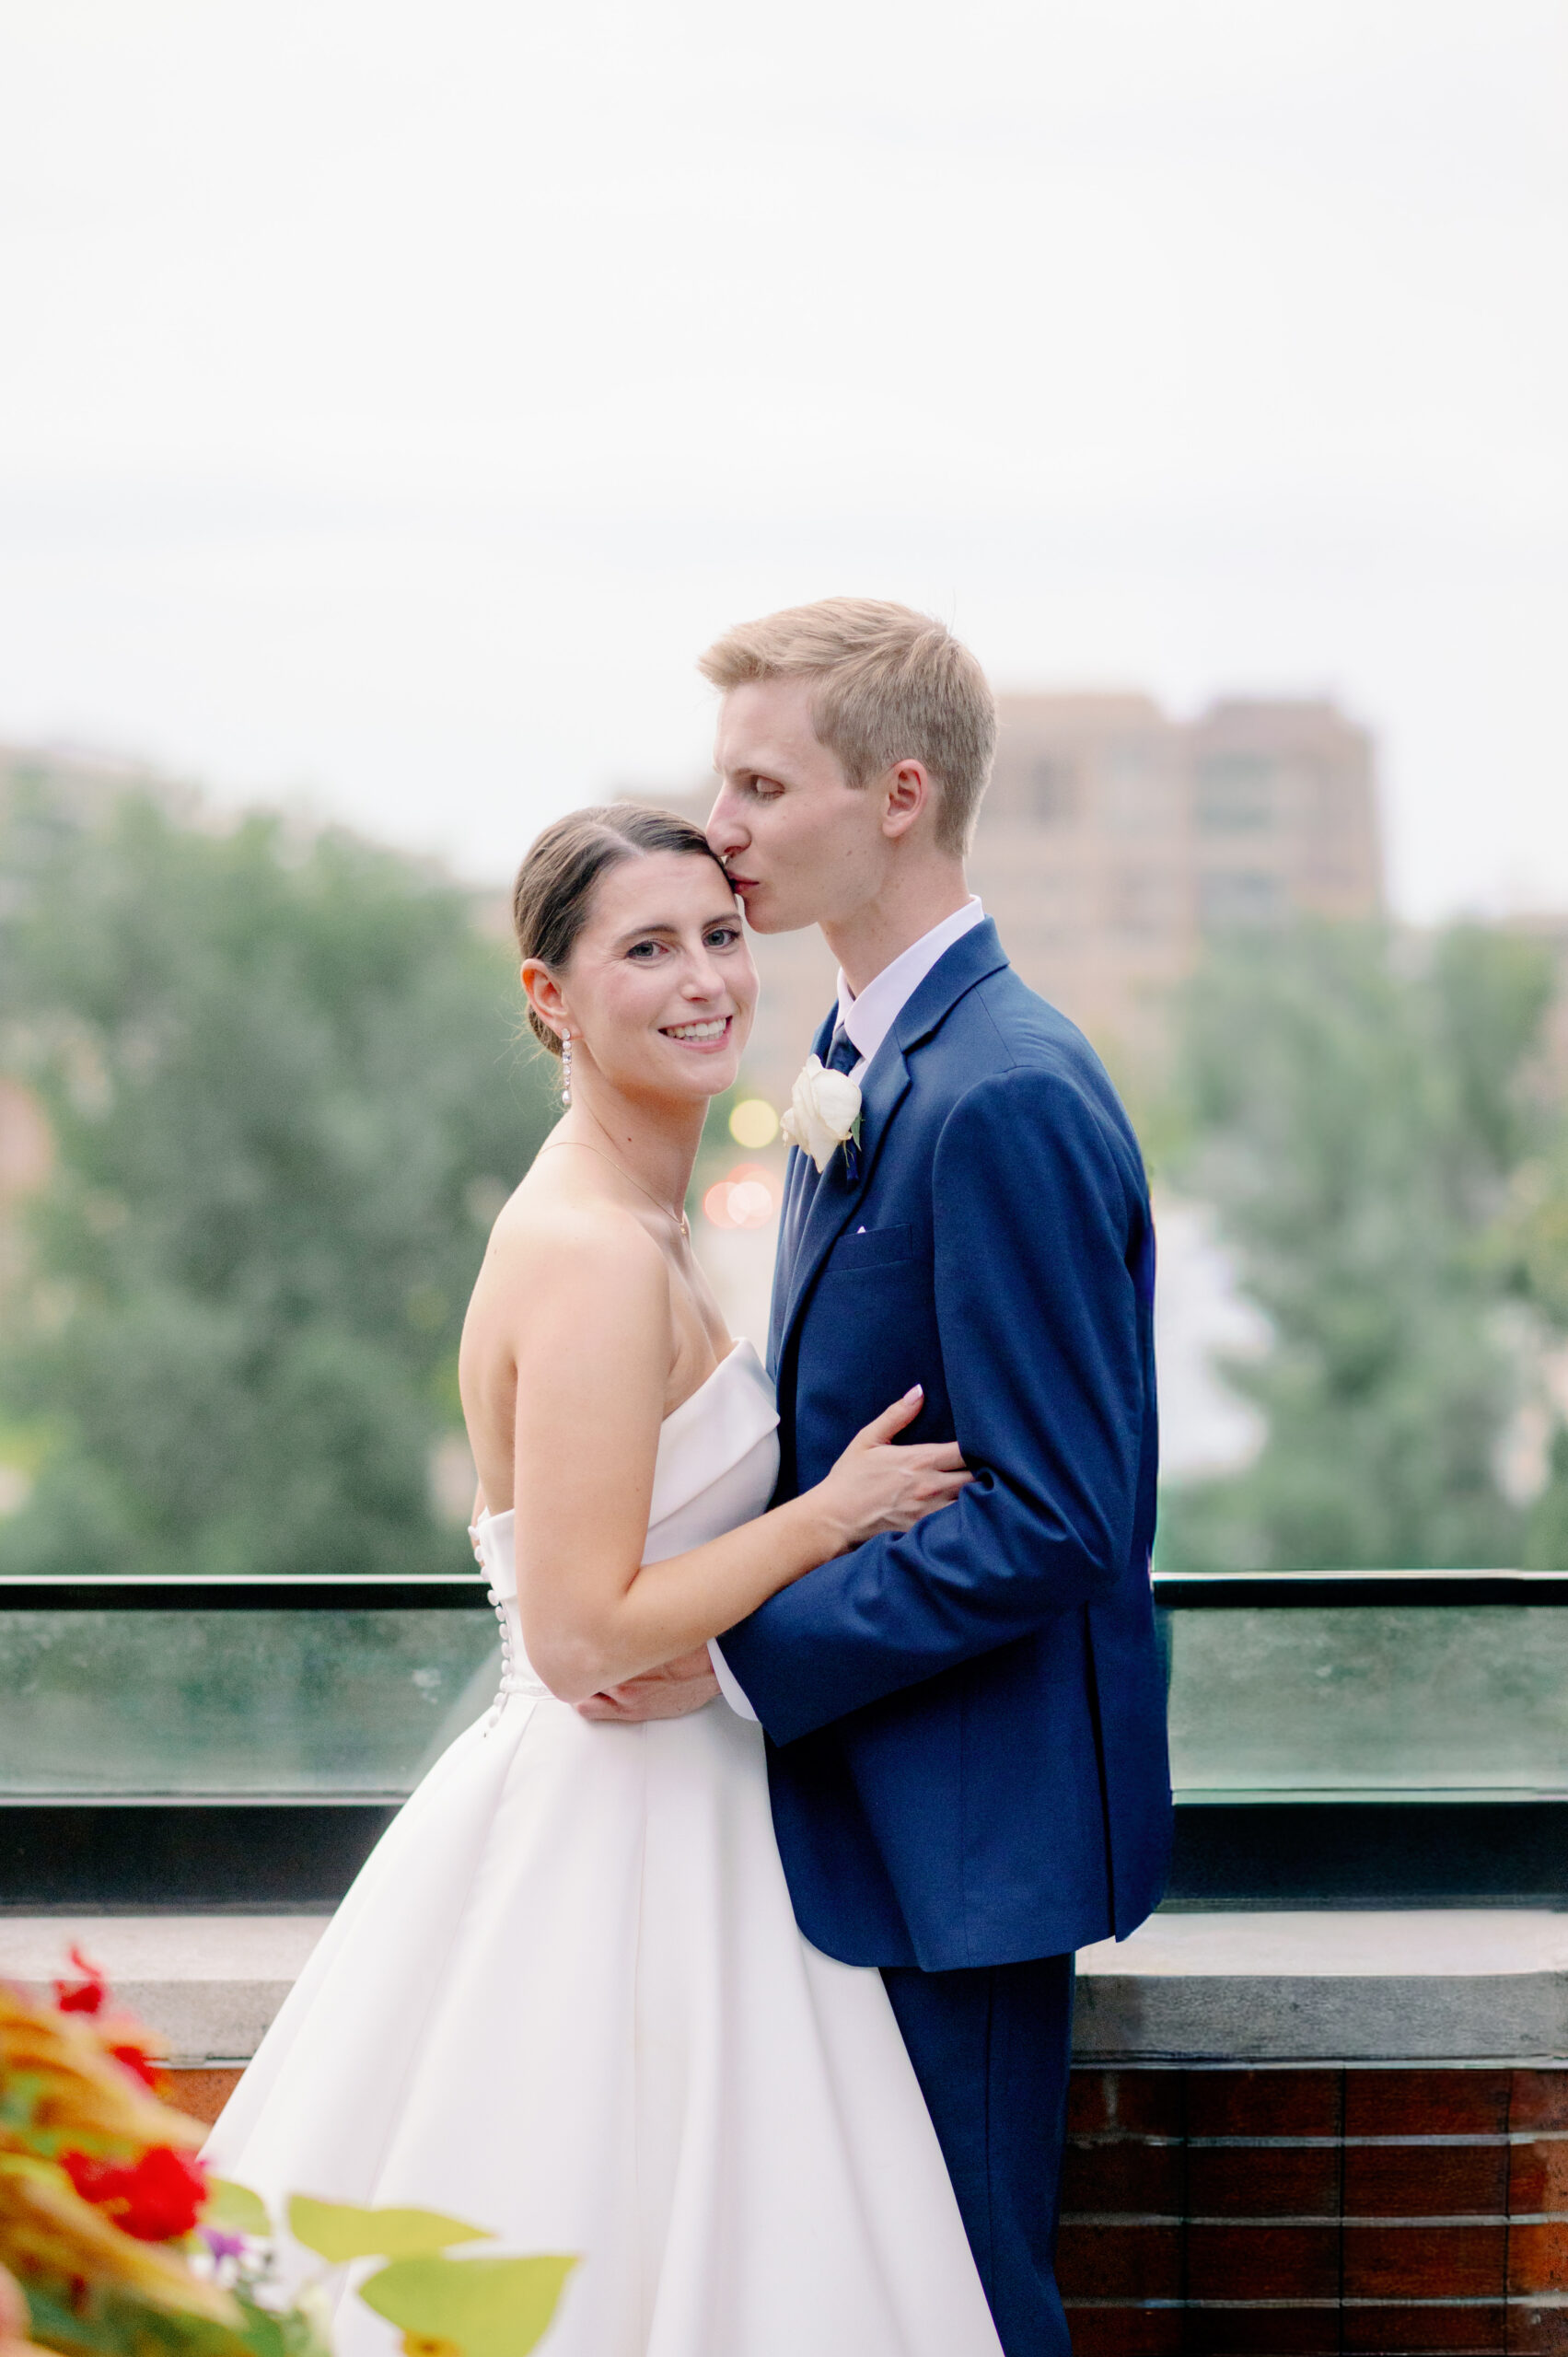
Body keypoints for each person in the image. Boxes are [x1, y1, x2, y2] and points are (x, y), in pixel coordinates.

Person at [203, 802, 1005, 2357]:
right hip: (607, 1828)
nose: (705, 978)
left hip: (700, 1809)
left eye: (718, 935)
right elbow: (580, 1637)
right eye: (647, 948)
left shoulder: (646, 1221)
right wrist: (828, 1514)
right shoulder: (586, 1253)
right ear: (548, 997)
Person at [596, 601, 1174, 2355]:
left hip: (969, 1834)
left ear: (900, 795)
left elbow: (1061, 1512)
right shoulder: (857, 1060)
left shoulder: (1004, 1093)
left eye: (764, 787)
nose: (725, 829)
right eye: (723, 782)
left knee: (970, 2304)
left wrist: (749, 1650)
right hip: (873, 1814)